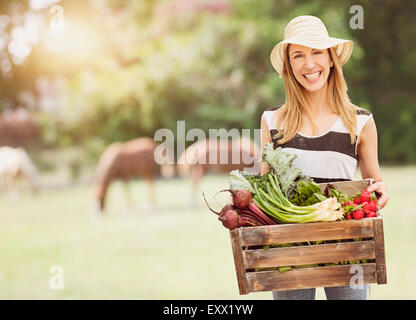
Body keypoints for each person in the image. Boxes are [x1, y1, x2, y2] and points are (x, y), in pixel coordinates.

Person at [260, 15, 390, 300]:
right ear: (288, 66)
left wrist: (380, 192)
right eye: (298, 55)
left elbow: (374, 185)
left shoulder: (360, 122)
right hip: (290, 251)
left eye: (317, 52)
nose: (309, 64)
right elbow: (265, 185)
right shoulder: (271, 121)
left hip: (347, 249)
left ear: (332, 59)